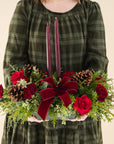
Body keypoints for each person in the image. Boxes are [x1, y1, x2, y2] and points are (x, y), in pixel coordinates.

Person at [2, 0, 108, 143]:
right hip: (33, 123)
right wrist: (24, 102)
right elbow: (13, 60)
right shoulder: (27, 8)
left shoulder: (89, 10)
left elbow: (98, 61)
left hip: (77, 123)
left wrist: (84, 103)